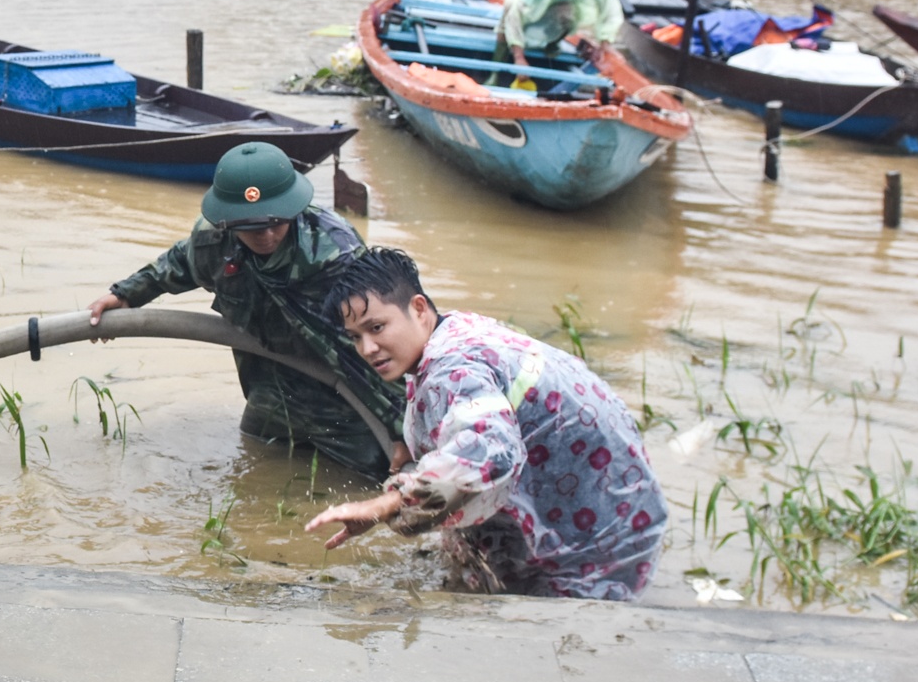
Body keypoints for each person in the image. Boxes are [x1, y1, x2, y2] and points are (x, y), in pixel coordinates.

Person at [305, 249, 667, 599]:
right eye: (356, 337)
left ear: (418, 308)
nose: (368, 348)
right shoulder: (458, 331)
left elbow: (488, 448)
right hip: (615, 504)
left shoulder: (455, 368)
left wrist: (387, 504)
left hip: (598, 545)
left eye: (377, 327)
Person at [86, 143, 401, 479]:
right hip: (269, 387)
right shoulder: (214, 243)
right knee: (257, 470)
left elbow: (383, 341)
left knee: (372, 483)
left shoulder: (335, 253)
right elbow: (178, 263)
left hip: (346, 400)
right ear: (229, 221)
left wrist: (399, 429)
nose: (265, 235)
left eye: (275, 222)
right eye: (251, 225)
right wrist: (126, 295)